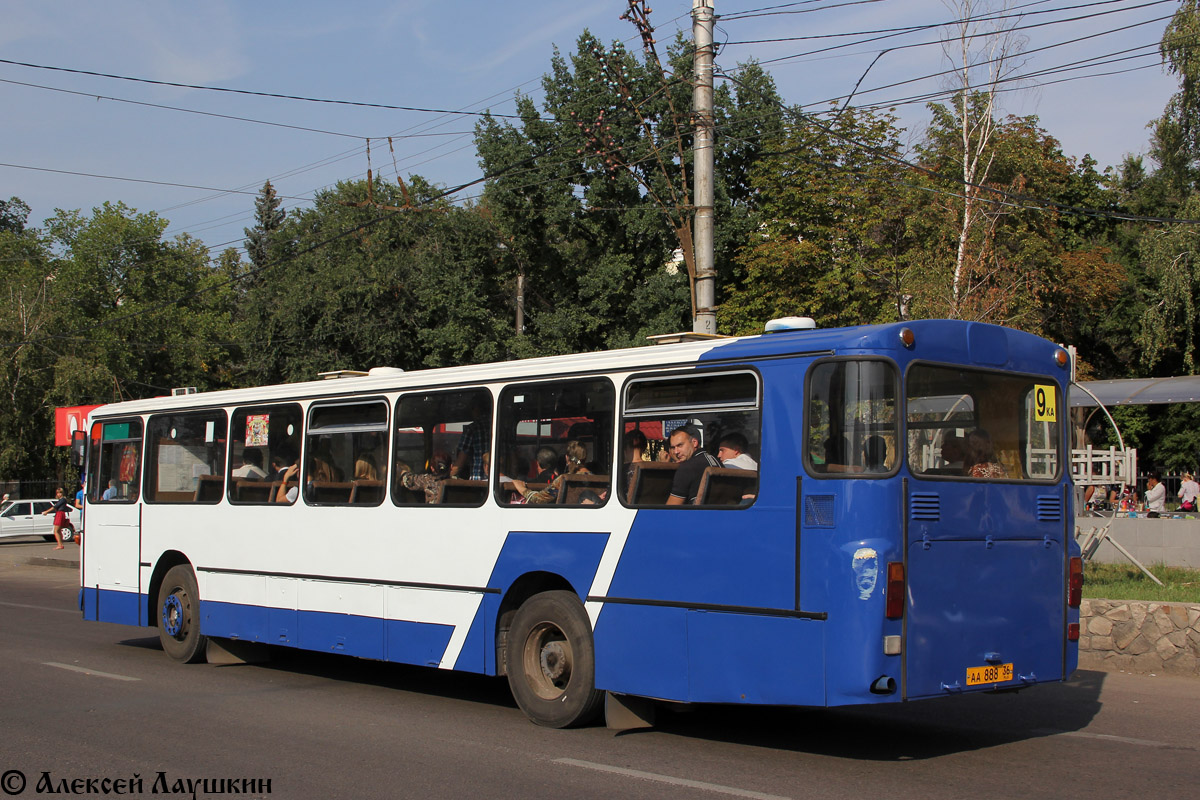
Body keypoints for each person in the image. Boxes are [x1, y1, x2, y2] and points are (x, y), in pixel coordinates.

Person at [511, 440, 590, 504]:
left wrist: (522, 489)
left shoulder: (563, 480)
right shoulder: (594, 478)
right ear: (585, 458)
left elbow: (540, 499)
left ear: (567, 458)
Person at [666, 425, 720, 505]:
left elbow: (670, 509)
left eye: (680, 445)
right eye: (673, 447)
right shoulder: (716, 461)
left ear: (694, 442)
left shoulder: (687, 468)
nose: (676, 452)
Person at [451, 396, 491, 481]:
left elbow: (459, 464)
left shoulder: (472, 429)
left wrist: (447, 476)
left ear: (476, 409)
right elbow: (514, 463)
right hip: (502, 482)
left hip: (479, 484)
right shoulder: (503, 429)